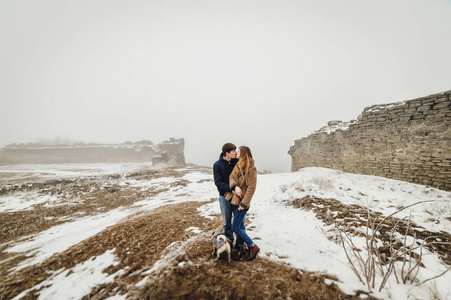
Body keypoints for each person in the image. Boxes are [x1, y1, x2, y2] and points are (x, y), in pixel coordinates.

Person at [229, 146, 260, 261]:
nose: (236, 152)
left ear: (244, 153)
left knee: (235, 227)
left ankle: (252, 246)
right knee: (240, 225)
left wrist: (244, 204)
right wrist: (235, 186)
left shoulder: (251, 168)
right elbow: (231, 177)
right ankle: (241, 248)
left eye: (239, 151)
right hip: (235, 200)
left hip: (242, 203)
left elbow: (252, 187)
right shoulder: (237, 165)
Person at [213, 143, 238, 244]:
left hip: (237, 196)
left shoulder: (237, 162)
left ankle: (240, 243)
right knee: (227, 221)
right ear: (227, 153)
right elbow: (218, 182)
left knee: (239, 221)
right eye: (233, 151)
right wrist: (231, 188)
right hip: (224, 197)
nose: (236, 153)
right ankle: (229, 241)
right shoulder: (217, 165)